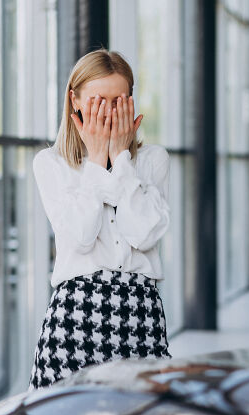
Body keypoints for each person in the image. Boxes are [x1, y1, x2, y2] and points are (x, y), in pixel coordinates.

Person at [27, 49, 172, 390]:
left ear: (131, 104)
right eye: (97, 101)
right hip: (76, 313)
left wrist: (121, 159)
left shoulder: (152, 160)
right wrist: (95, 162)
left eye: (117, 101)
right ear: (74, 101)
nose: (107, 113)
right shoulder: (51, 164)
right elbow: (80, 236)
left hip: (139, 312)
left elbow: (144, 235)